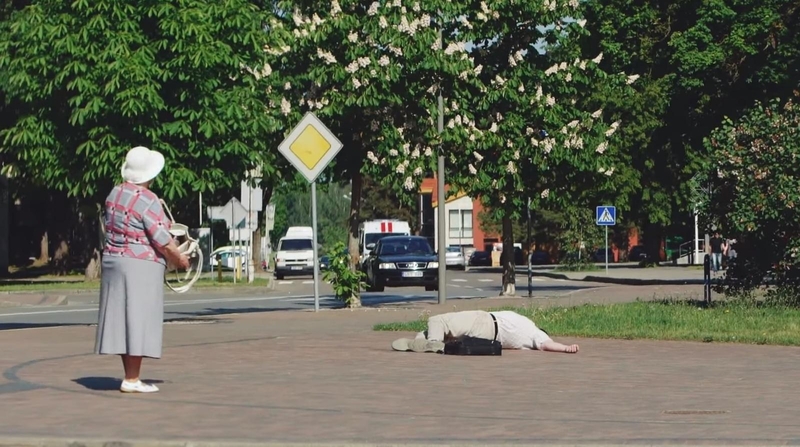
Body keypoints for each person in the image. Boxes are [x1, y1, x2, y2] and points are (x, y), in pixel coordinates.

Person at [94, 146, 190, 394]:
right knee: (139, 319)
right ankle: (132, 379)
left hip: (114, 260)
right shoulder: (148, 200)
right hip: (140, 264)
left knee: (124, 320)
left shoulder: (114, 194)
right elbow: (162, 240)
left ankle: (130, 374)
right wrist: (180, 259)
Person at [391, 310, 579, 354]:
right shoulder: (527, 340)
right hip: (487, 331)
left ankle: (432, 343)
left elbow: (547, 344)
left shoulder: (535, 331)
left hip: (485, 321)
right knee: (439, 331)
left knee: (437, 320)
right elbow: (544, 346)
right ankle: (424, 340)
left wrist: (565, 348)